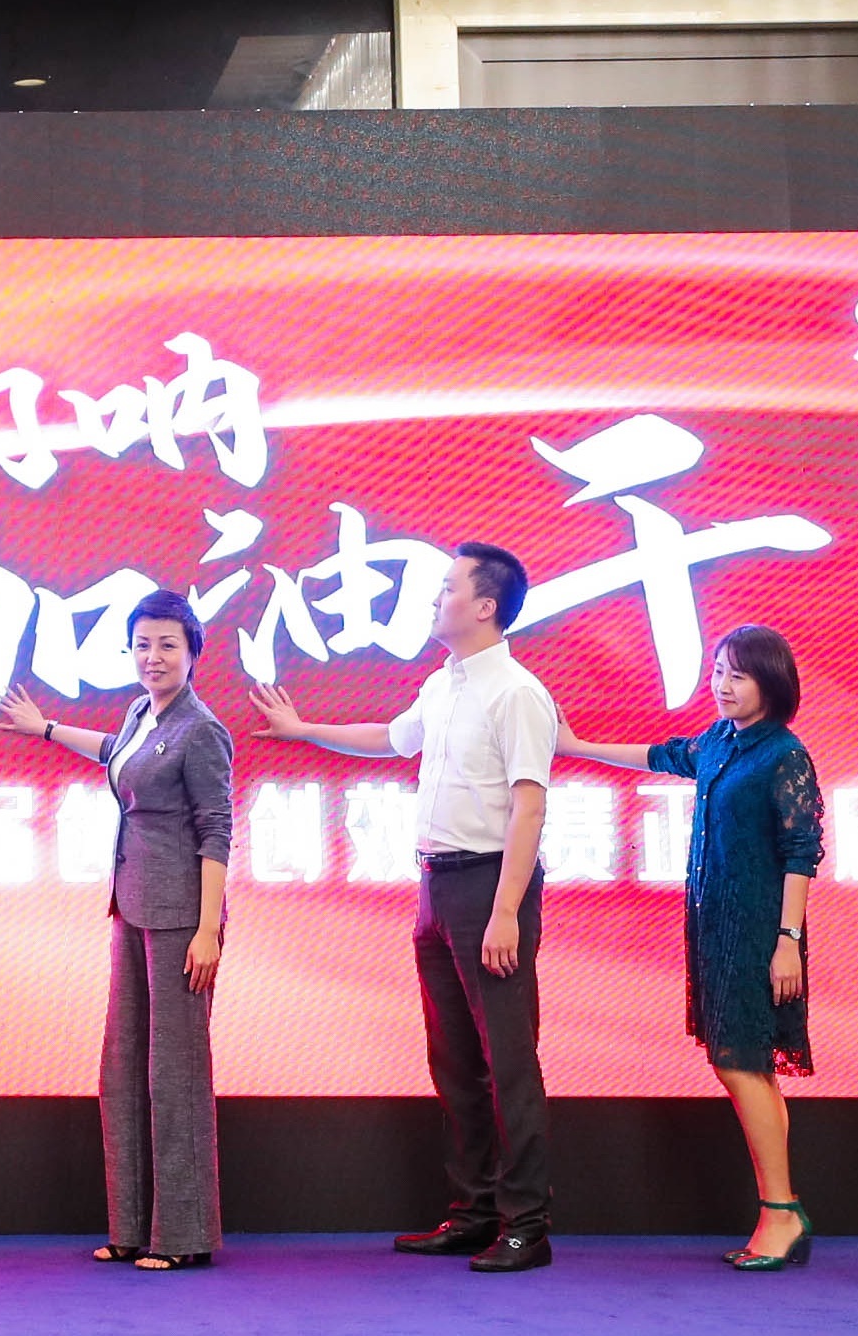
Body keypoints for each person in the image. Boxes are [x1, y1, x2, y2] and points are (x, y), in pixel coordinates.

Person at [247, 540, 556, 1273]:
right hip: (436, 885)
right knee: (455, 1062)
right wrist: (305, 730)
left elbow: (530, 807)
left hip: (490, 886)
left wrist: (506, 910)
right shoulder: (444, 683)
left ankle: (527, 1225)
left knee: (508, 1062)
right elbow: (392, 740)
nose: (434, 599)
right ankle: (473, 1212)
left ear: (485, 606)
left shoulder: (517, 692)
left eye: (447, 588)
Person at [554, 625, 824, 1270]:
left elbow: (801, 853)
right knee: (747, 1064)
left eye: (738, 675)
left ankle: (781, 1211)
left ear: (771, 682)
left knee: (739, 1062)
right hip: (714, 925)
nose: (722, 685)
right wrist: (575, 745)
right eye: (718, 671)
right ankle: (784, 1211)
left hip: (758, 931)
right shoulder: (718, 741)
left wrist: (787, 941)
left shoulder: (784, 754)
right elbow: (660, 754)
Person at [0, 588, 234, 1271]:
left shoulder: (201, 730)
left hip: (182, 919)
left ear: (193, 652)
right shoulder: (141, 712)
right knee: (125, 1068)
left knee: (175, 1076)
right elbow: (115, 752)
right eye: (142, 644)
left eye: (167, 645)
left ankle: (181, 1236)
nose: (153, 657)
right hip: (131, 908)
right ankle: (130, 1226)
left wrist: (208, 930)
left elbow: (217, 831)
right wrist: (45, 728)